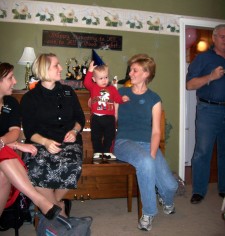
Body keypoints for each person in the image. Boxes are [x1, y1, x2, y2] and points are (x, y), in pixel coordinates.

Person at [114, 54, 178, 232]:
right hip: (124, 142)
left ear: (146, 73)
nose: (130, 73)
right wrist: (98, 102)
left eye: (135, 70)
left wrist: (152, 152)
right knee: (145, 162)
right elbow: (112, 118)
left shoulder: (154, 99)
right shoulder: (121, 93)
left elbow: (156, 131)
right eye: (131, 69)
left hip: (148, 143)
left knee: (171, 186)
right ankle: (148, 212)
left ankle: (166, 200)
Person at [20, 53, 85, 217]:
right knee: (34, 169)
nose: (61, 68)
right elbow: (29, 131)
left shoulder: (68, 92)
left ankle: (48, 208)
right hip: (40, 143)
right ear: (44, 69)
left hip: (69, 143)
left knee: (73, 165)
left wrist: (74, 131)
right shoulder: (30, 98)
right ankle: (59, 209)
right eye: (57, 65)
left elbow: (80, 118)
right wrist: (46, 142)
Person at [0, 62, 61, 219]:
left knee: (2, 174)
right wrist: (12, 144)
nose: (14, 81)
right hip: (6, 153)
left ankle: (41, 201)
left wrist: (5, 142)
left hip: (5, 155)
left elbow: (15, 131)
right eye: (10, 78)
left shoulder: (11, 103)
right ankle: (40, 200)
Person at [186, 24, 225, 204]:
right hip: (208, 110)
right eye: (222, 36)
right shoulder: (203, 59)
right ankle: (199, 191)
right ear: (214, 38)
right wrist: (211, 76)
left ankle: (223, 188)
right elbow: (190, 85)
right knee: (202, 152)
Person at [84, 61, 129, 160]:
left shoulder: (112, 89)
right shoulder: (93, 87)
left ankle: (107, 151)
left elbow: (117, 99)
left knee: (110, 135)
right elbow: (86, 82)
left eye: (106, 77)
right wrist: (90, 70)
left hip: (109, 118)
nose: (104, 80)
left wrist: (122, 99)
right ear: (94, 79)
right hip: (96, 117)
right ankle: (98, 152)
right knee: (96, 136)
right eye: (101, 78)